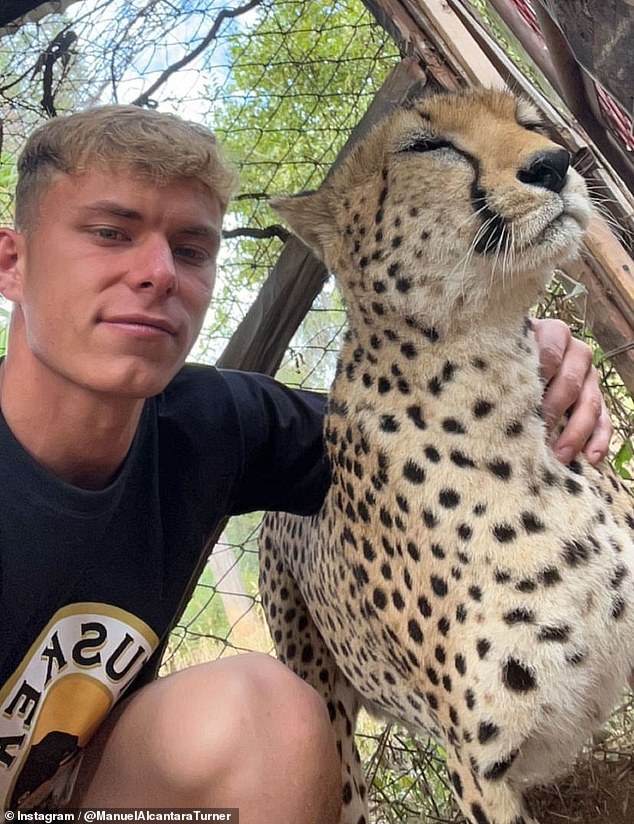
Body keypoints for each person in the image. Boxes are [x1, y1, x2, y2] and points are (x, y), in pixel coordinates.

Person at [0, 105, 611, 818]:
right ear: (12, 263)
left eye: (192, 249)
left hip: (65, 796)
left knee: (263, 712)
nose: (157, 274)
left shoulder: (214, 422)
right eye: (111, 234)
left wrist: (511, 340)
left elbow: (421, 427)